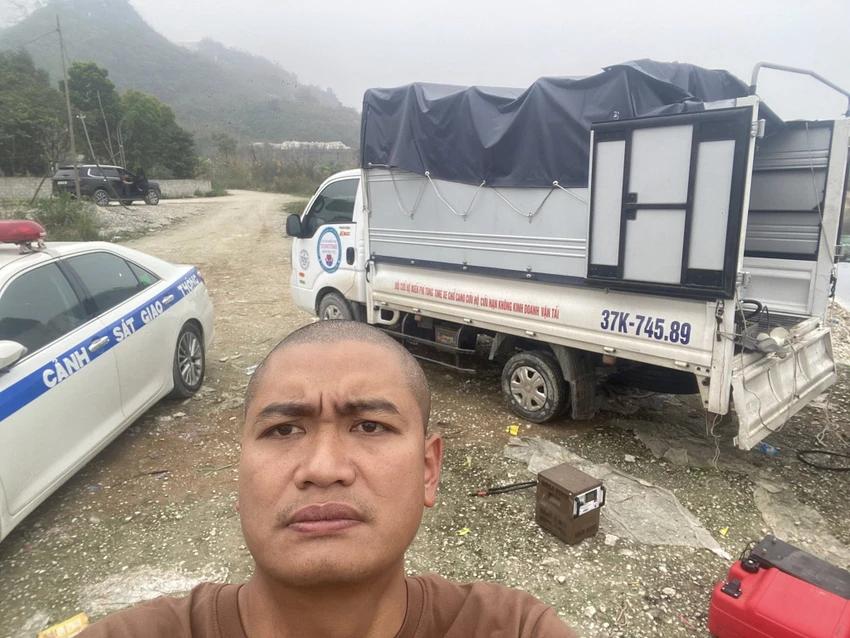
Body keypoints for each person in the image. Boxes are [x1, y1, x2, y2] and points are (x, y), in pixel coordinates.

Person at [82, 321, 577, 637]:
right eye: (283, 430)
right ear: (240, 476)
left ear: (428, 470)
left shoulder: (510, 627)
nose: (322, 468)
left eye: (369, 426)